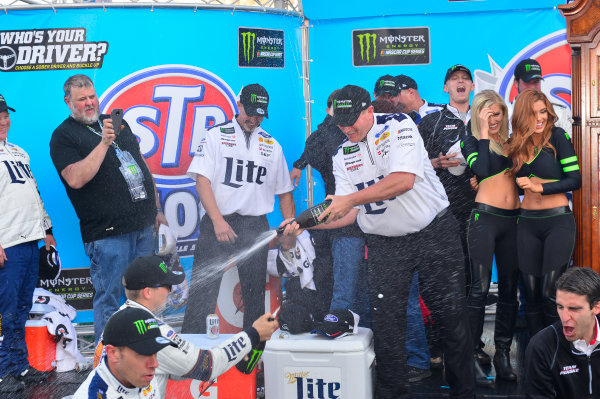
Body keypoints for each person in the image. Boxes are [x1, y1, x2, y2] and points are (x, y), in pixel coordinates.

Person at [296, 84, 474, 398]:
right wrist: (301, 223)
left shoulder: (399, 126)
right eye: (341, 122)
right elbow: (345, 211)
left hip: (433, 232)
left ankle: (464, 392)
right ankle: (394, 392)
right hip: (385, 243)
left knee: (450, 317)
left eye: (353, 119)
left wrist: (348, 200)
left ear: (369, 110)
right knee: (387, 323)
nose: (347, 128)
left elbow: (402, 181)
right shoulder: (342, 154)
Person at [49, 75, 165, 343]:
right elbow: (76, 178)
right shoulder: (63, 136)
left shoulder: (118, 123)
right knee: (110, 298)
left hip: (143, 226)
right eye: (82, 99)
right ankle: (106, 363)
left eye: (92, 96)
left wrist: (155, 208)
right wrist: (103, 143)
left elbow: (141, 164)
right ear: (68, 102)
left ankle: (143, 352)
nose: (90, 103)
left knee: (146, 294)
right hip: (107, 233)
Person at [182, 83, 295, 333]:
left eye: (260, 115)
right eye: (250, 112)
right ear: (239, 104)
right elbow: (202, 180)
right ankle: (191, 360)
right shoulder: (215, 135)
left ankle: (251, 362)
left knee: (254, 296)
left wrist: (289, 227)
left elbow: (285, 193)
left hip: (255, 226)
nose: (254, 119)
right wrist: (217, 221)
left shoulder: (272, 145)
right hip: (218, 222)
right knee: (203, 293)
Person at [92, 255, 278, 398]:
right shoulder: (152, 330)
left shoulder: (117, 319)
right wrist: (253, 334)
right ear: (148, 292)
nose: (171, 290)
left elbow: (173, 368)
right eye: (167, 285)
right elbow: (207, 366)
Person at [290, 89, 370, 328]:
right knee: (348, 288)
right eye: (342, 114)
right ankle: (339, 329)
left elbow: (310, 153)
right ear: (330, 109)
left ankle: (346, 329)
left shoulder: (322, 136)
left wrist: (299, 164)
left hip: (356, 220)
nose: (347, 125)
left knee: (345, 284)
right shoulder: (340, 138)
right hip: (345, 221)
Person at [507, 89, 581, 336]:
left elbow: (575, 180)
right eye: (533, 113)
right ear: (521, 115)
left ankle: (557, 354)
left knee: (550, 293)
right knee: (529, 295)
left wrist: (542, 187)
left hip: (558, 222)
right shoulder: (515, 143)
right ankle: (536, 356)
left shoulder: (558, 137)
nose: (540, 118)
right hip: (526, 223)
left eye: (543, 112)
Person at [461, 90, 520, 382]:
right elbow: (482, 169)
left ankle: (503, 354)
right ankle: (471, 353)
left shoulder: (512, 143)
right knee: (479, 288)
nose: (493, 119)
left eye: (497, 113)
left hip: (514, 222)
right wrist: (483, 131)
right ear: (478, 116)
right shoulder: (471, 140)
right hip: (484, 219)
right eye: (487, 114)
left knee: (510, 290)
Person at [370, 98, 431, 382]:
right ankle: (397, 363)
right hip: (388, 237)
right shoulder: (373, 148)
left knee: (406, 302)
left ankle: (417, 361)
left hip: (411, 236)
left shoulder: (404, 138)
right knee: (391, 304)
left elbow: (402, 184)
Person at [0, 94, 57, 392]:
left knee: (21, 307)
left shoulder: (19, 152)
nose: (3, 120)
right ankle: (2, 370)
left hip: (29, 239)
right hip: (6, 242)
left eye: (5, 114)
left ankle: (18, 367)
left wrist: (47, 228)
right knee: (4, 310)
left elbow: (33, 192)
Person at [418, 65, 476, 287]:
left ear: (473, 86)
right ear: (445, 87)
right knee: (448, 270)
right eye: (454, 79)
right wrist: (435, 163)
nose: (460, 82)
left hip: (479, 207)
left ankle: (471, 318)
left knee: (473, 269)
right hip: (444, 209)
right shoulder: (431, 122)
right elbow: (413, 163)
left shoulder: (484, 119)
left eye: (465, 78)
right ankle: (448, 319)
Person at [523, 267, 600, 398]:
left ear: (596, 308)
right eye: (560, 307)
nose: (564, 317)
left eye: (574, 309)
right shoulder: (541, 347)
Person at [73, 307, 176, 398]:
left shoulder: (141, 374)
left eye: (155, 352)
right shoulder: (94, 394)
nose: (155, 364)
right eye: (144, 353)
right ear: (113, 353)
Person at [508, 58, 572, 136]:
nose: (532, 87)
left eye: (536, 82)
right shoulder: (504, 114)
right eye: (527, 82)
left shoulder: (557, 113)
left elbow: (571, 143)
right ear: (516, 83)